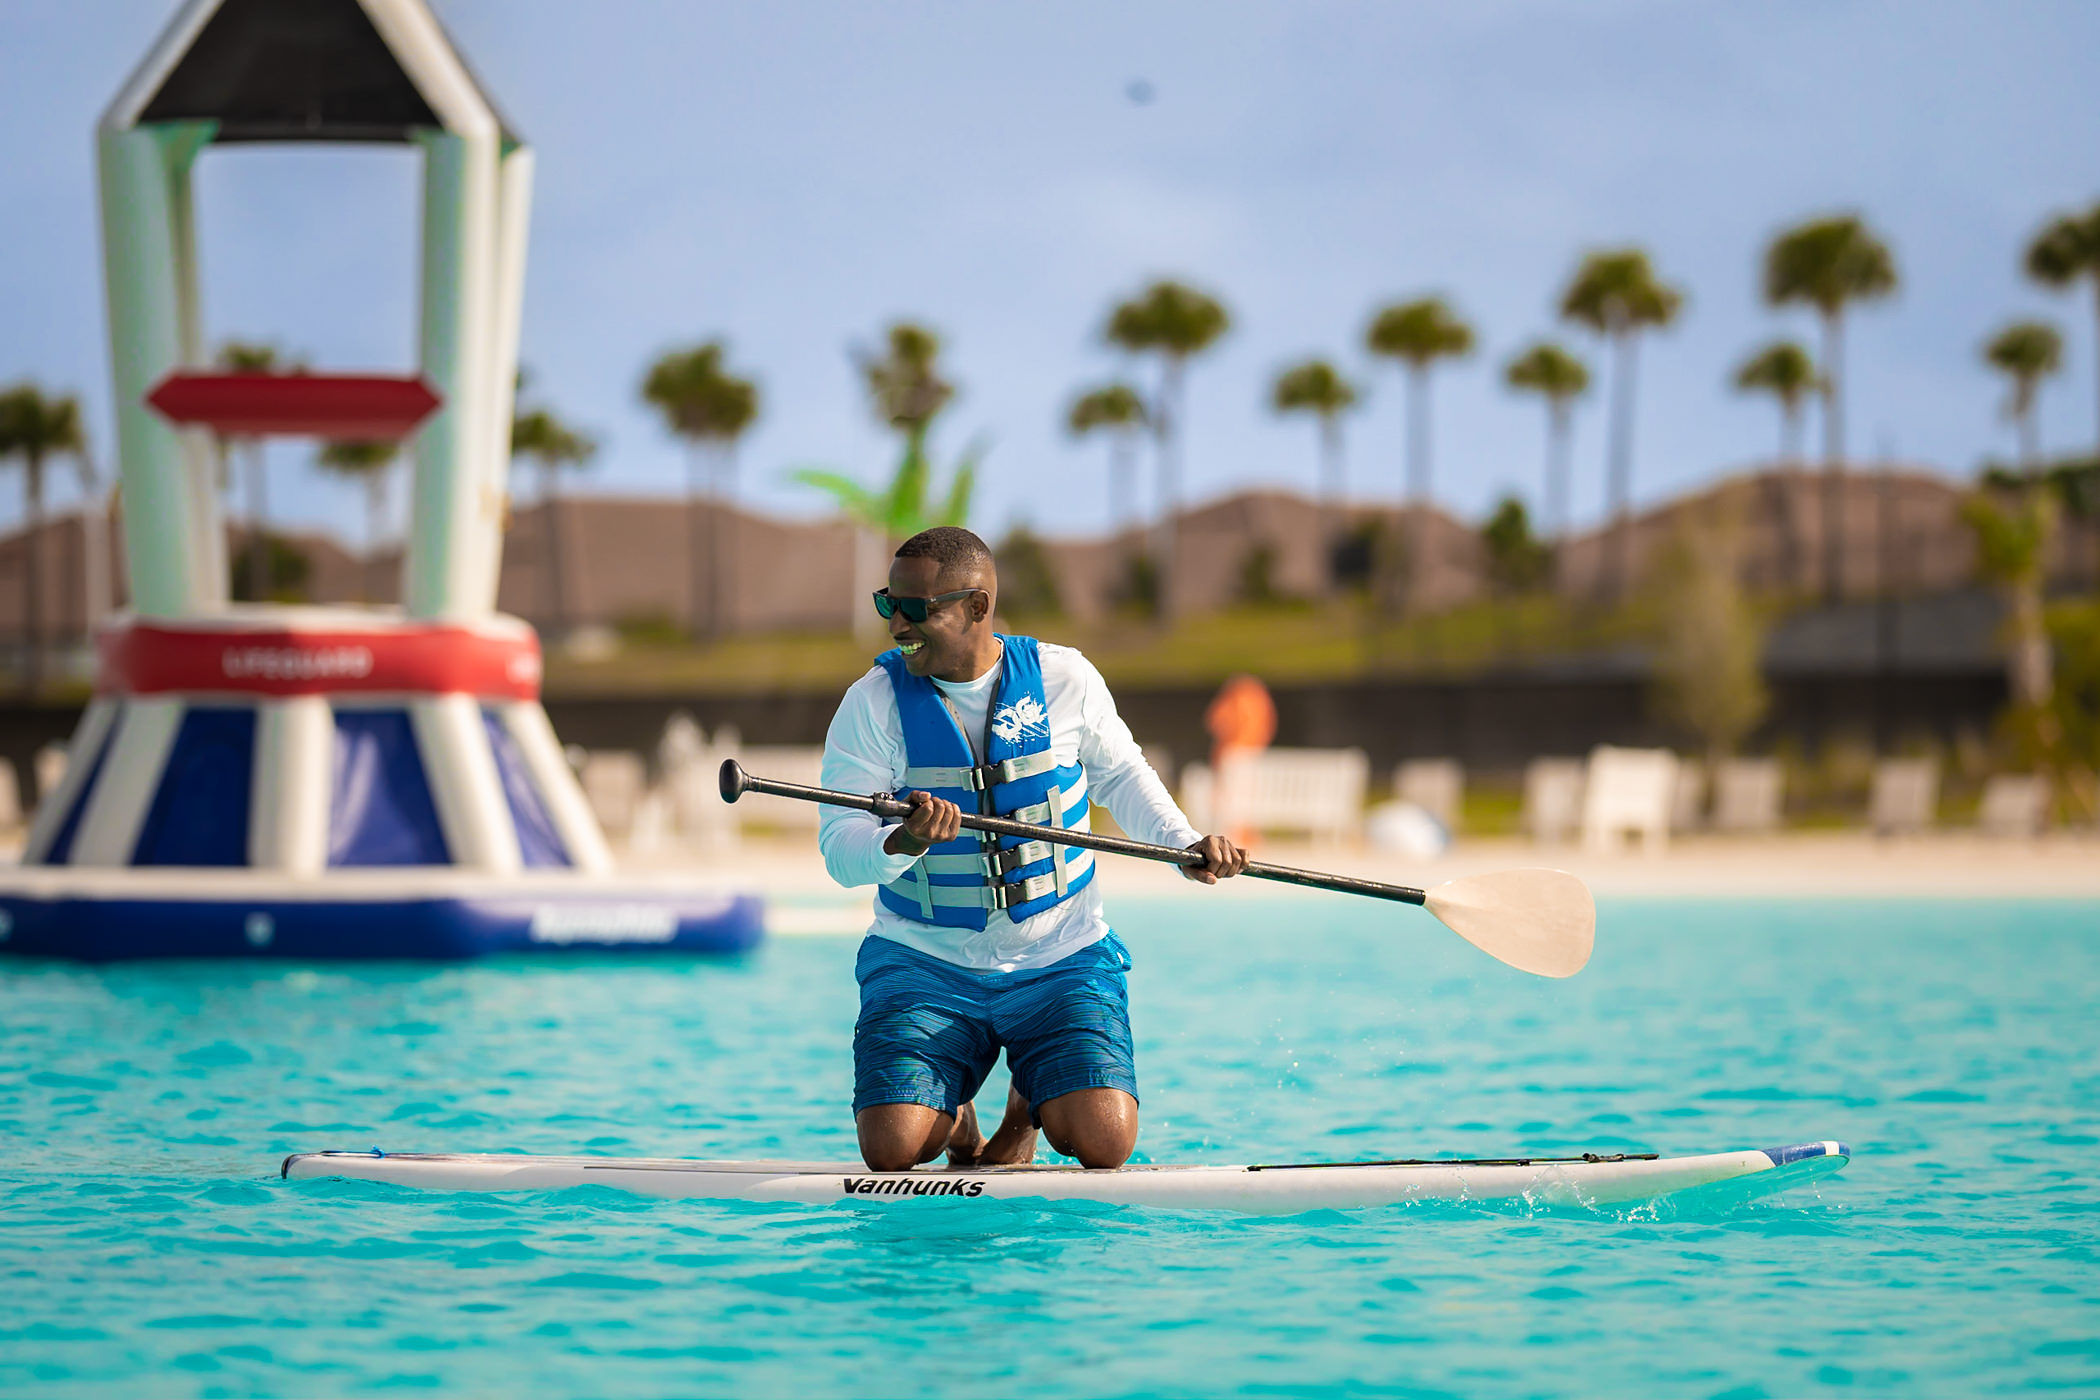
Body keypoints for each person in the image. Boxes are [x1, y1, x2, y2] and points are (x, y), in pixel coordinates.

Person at [819, 526, 1248, 1172]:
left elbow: (1122, 776)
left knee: (1104, 1145)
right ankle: (956, 1115)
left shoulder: (1063, 679)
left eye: (916, 610)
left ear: (977, 607)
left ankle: (1024, 1110)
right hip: (923, 961)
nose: (896, 626)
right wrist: (902, 840)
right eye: (889, 604)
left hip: (1060, 954)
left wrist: (1182, 843)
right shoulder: (871, 705)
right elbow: (839, 848)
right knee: (892, 1150)